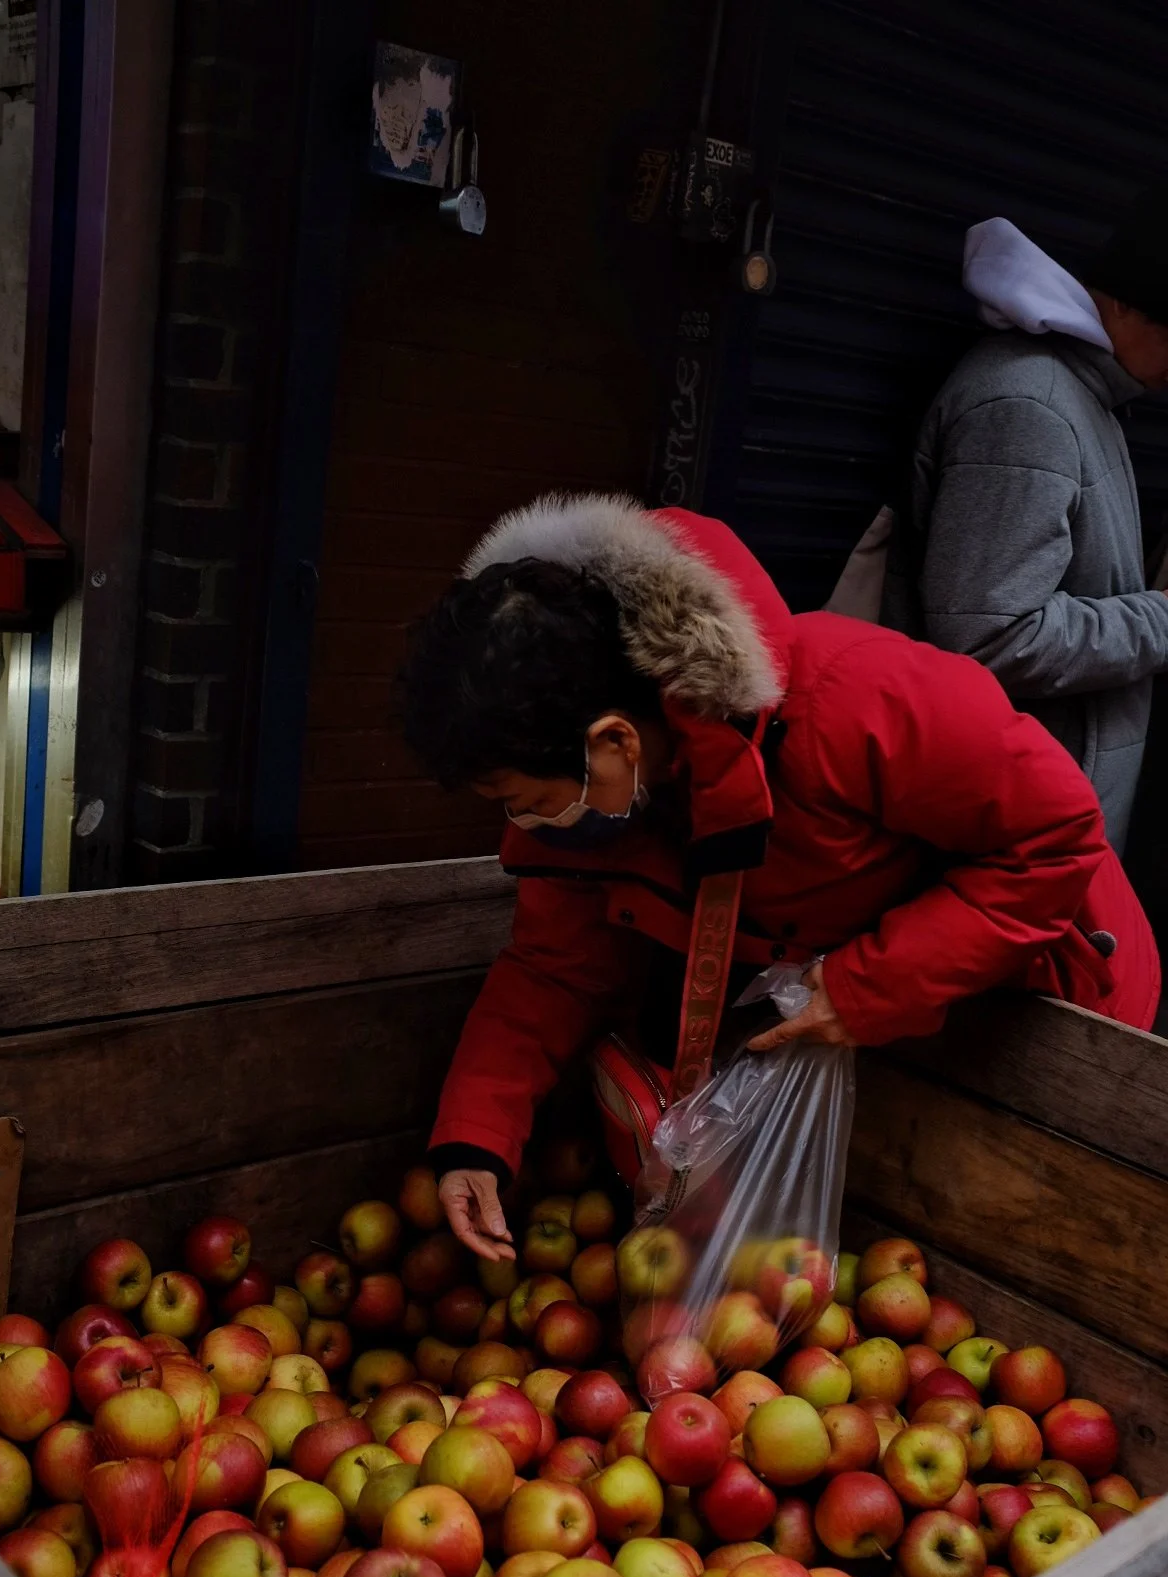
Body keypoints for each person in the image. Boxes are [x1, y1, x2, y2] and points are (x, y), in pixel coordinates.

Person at [402, 494, 1160, 1259]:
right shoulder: (606, 804)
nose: (524, 824)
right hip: (889, 1041)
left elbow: (1056, 839)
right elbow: (551, 966)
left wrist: (867, 986)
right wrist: (475, 1140)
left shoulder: (857, 698)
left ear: (615, 739)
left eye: (525, 802)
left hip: (1047, 1004)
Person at [885, 192, 1168, 854]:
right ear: (1123, 301)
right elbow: (990, 634)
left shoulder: (1089, 397)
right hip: (1011, 833)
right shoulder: (1028, 405)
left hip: (1045, 820)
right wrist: (1161, 619)